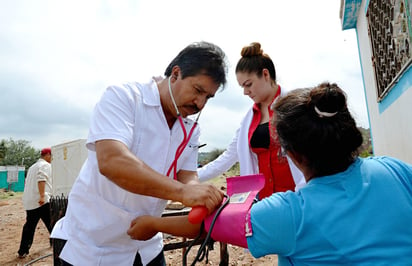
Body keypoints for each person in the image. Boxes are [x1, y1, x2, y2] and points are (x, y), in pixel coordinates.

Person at [127, 82, 412, 265]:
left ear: (291, 154)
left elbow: (205, 225)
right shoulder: (394, 169)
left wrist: (152, 223)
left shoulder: (287, 214)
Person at [50, 41, 227, 265]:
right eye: (198, 90)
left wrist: (198, 192)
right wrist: (182, 193)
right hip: (94, 248)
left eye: (208, 97)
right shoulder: (123, 98)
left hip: (146, 247)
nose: (200, 103)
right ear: (175, 74)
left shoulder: (191, 128)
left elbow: (187, 175)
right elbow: (112, 161)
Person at [198, 42, 305, 198]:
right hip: (263, 203)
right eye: (242, 87)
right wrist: (188, 178)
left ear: (266, 75)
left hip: (299, 198)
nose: (245, 92)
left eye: (248, 85)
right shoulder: (249, 119)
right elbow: (227, 158)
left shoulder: (297, 106)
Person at [17, 147, 53, 258]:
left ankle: (23, 251)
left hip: (31, 201)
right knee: (53, 223)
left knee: (29, 226)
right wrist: (42, 196)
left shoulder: (33, 166)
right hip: (41, 201)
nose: (52, 159)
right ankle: (57, 244)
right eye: (51, 156)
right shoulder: (45, 165)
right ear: (47, 155)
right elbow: (41, 179)